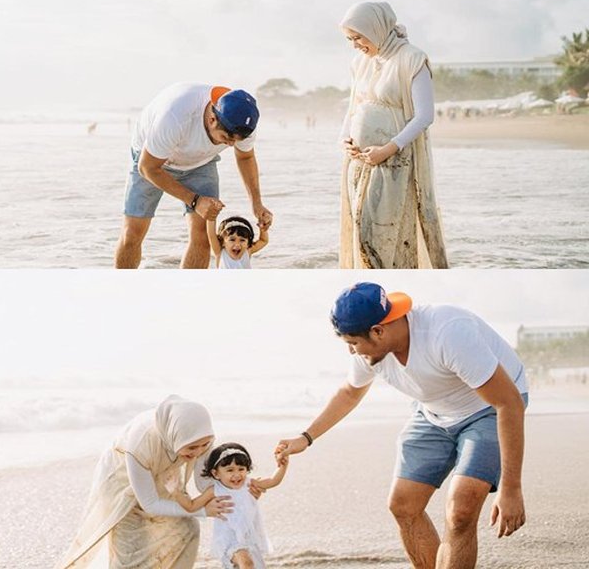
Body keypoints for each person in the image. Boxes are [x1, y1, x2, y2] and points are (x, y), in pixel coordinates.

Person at [276, 282, 528, 569]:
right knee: (403, 505)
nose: (352, 352)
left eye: (353, 343)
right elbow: (349, 393)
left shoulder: (446, 332)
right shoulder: (370, 350)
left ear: (378, 331)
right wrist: (305, 438)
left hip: (487, 408)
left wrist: (511, 489)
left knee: (461, 511)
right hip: (432, 411)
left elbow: (508, 403)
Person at [58, 396, 238, 568]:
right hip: (122, 483)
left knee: (187, 528)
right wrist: (202, 510)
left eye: (204, 445)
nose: (198, 452)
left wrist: (237, 489)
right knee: (130, 554)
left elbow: (204, 481)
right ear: (175, 436)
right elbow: (150, 504)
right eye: (192, 448)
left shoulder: (200, 436)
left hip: (164, 476)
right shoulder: (141, 443)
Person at [338, 2, 448, 269]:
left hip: (394, 161)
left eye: (358, 37)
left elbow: (425, 116)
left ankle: (395, 283)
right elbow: (354, 106)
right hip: (360, 162)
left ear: (375, 29)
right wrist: (346, 140)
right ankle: (368, 283)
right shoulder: (361, 63)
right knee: (360, 227)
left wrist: (388, 149)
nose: (355, 45)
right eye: (350, 39)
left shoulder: (412, 59)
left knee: (386, 229)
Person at [115, 84, 273, 269]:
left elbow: (245, 157)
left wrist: (256, 202)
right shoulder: (175, 116)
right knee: (132, 234)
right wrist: (195, 201)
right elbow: (148, 168)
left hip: (201, 163)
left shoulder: (244, 123)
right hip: (152, 161)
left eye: (236, 141)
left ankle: (189, 293)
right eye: (226, 138)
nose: (231, 145)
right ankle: (122, 292)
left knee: (204, 236)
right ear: (212, 118)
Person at [200, 443, 287, 569]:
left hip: (249, 539)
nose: (237, 475)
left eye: (241, 469)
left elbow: (273, 481)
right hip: (228, 540)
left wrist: (283, 465)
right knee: (247, 563)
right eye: (230, 470)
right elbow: (192, 506)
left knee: (252, 565)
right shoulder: (215, 490)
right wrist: (175, 492)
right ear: (216, 473)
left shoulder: (249, 484)